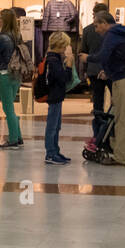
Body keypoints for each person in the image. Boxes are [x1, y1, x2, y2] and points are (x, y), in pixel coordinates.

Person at [93, 11, 125, 166]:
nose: (96, 30)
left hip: (123, 81)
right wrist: (108, 72)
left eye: (97, 26)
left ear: (104, 23)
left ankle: (120, 157)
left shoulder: (112, 34)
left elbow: (103, 55)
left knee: (122, 119)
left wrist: (87, 58)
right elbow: (121, 57)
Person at [78, 2, 112, 140]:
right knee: (116, 103)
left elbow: (83, 53)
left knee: (97, 104)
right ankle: (110, 130)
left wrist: (85, 71)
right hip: (110, 70)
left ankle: (98, 133)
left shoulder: (87, 30)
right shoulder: (112, 30)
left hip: (93, 70)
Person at [0, 8, 25, 150]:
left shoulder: (3, 38)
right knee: (10, 106)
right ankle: (17, 136)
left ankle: (12, 140)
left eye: (0, 18)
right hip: (16, 75)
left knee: (8, 109)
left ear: (4, 20)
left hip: (5, 74)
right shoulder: (17, 35)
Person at [42, 31, 72, 165]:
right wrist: (69, 67)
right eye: (65, 45)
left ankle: (55, 150)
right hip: (55, 96)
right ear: (60, 45)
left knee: (56, 125)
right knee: (52, 126)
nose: (66, 48)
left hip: (55, 96)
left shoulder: (52, 58)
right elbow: (64, 79)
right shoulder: (54, 61)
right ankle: (50, 153)